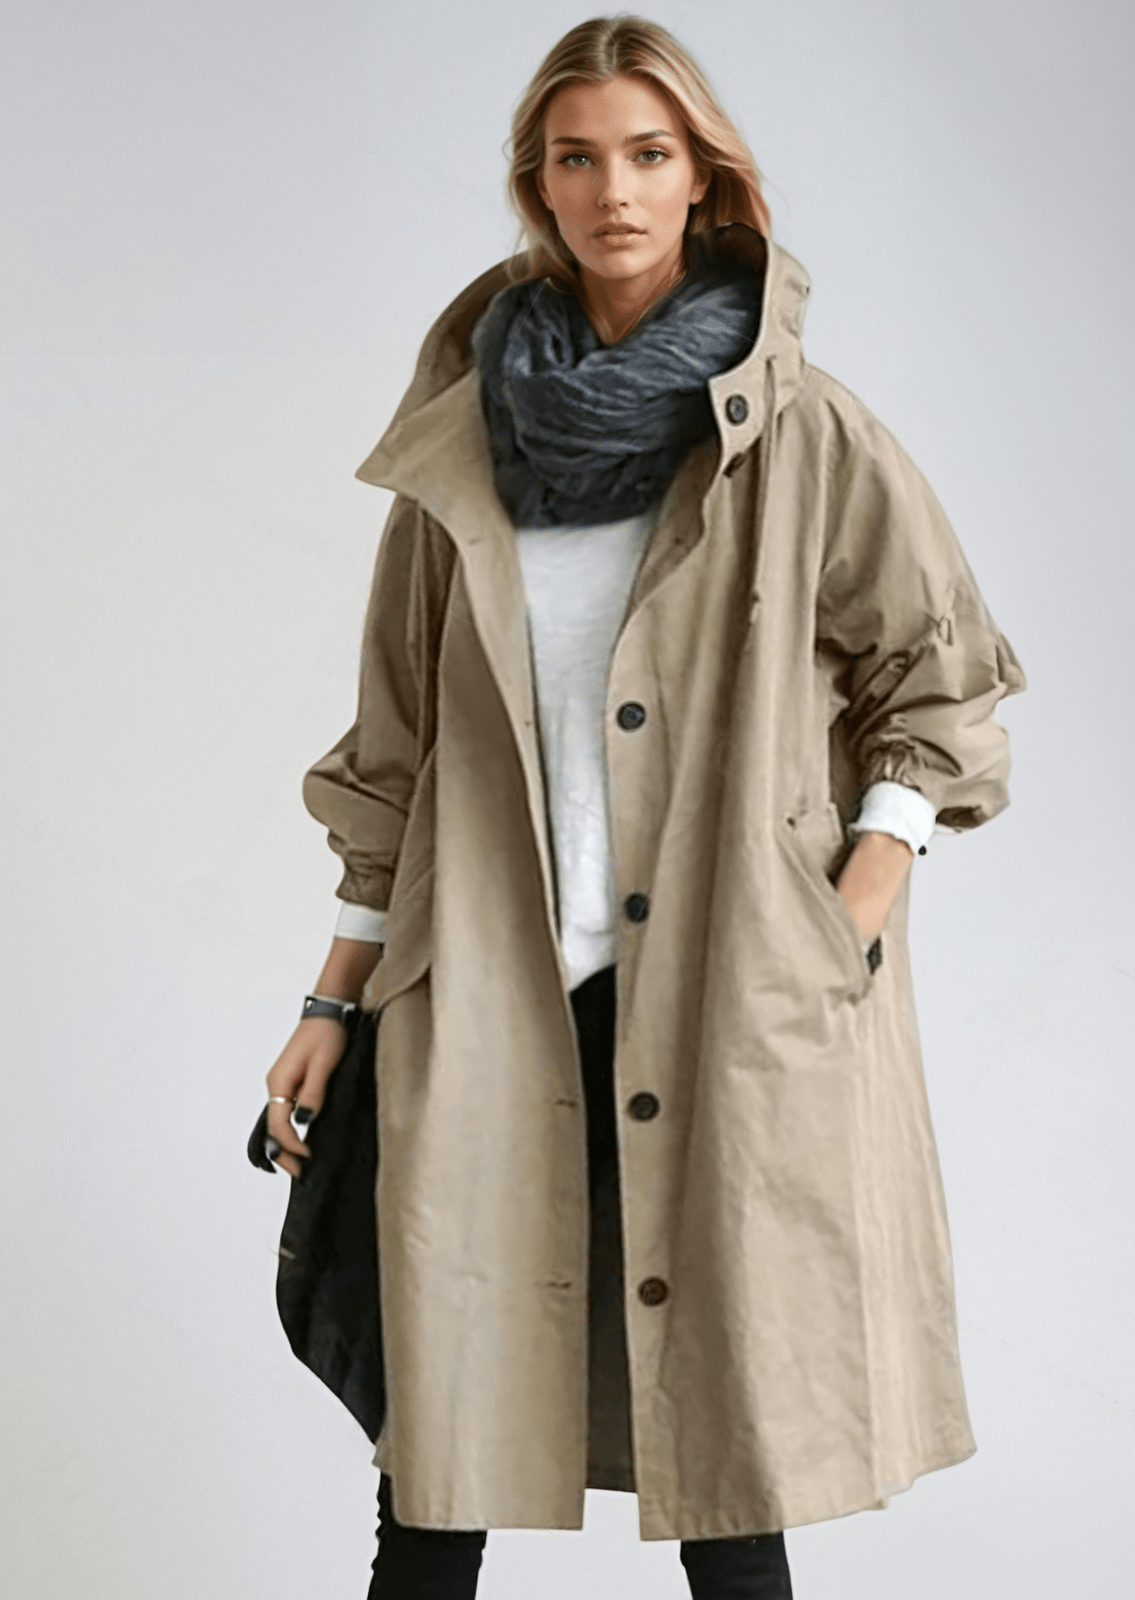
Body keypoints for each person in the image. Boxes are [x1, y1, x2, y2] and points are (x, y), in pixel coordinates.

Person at [259, 15, 1026, 1598]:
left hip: (728, 992)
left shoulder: (804, 433)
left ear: (704, 181)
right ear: (538, 186)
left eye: (649, 154)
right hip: (491, 992)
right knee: (437, 1466)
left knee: (732, 1471)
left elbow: (941, 686)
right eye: (578, 157)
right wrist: (331, 999)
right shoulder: (461, 448)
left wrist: (846, 916)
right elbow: (395, 752)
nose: (614, 189)